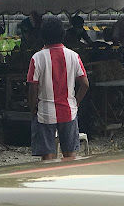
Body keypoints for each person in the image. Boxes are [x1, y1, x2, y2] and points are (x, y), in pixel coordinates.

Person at [27, 17, 89, 161]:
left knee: (48, 156)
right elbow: (85, 84)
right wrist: (76, 102)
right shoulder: (74, 56)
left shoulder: (37, 58)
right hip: (69, 111)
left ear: (43, 36)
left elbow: (32, 87)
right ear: (63, 34)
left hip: (45, 112)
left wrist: (32, 108)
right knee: (70, 155)